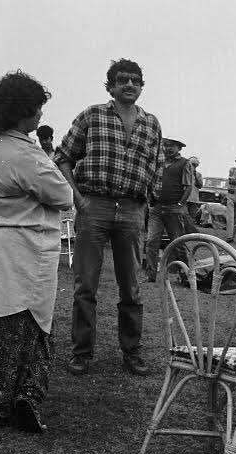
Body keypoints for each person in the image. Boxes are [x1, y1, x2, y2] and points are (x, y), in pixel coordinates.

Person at [0, 71, 73, 431]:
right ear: (23, 111)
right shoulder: (26, 155)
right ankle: (27, 396)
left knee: (5, 325)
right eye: (36, 109)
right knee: (34, 325)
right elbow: (63, 195)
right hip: (28, 245)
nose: (39, 116)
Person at [55, 58, 164, 376]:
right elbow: (62, 158)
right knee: (85, 285)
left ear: (142, 85)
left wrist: (144, 203)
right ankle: (81, 352)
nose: (129, 84)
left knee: (131, 287)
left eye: (135, 80)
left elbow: (156, 166)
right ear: (111, 86)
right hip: (95, 207)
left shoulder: (152, 124)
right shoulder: (92, 115)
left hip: (132, 211)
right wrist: (79, 199)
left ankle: (132, 352)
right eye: (122, 80)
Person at [143, 136, 196, 283]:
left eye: (172, 145)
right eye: (166, 145)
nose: (168, 148)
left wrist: (180, 204)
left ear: (179, 148)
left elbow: (188, 186)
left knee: (178, 244)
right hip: (156, 209)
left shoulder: (185, 163)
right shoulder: (158, 162)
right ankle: (150, 275)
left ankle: (186, 277)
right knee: (151, 242)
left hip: (174, 210)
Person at [186, 156, 203, 222]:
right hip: (184, 198)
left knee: (192, 216)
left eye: (195, 165)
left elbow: (200, 186)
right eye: (192, 164)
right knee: (183, 215)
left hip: (193, 199)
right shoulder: (184, 173)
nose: (193, 166)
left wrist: (195, 175)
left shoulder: (198, 175)